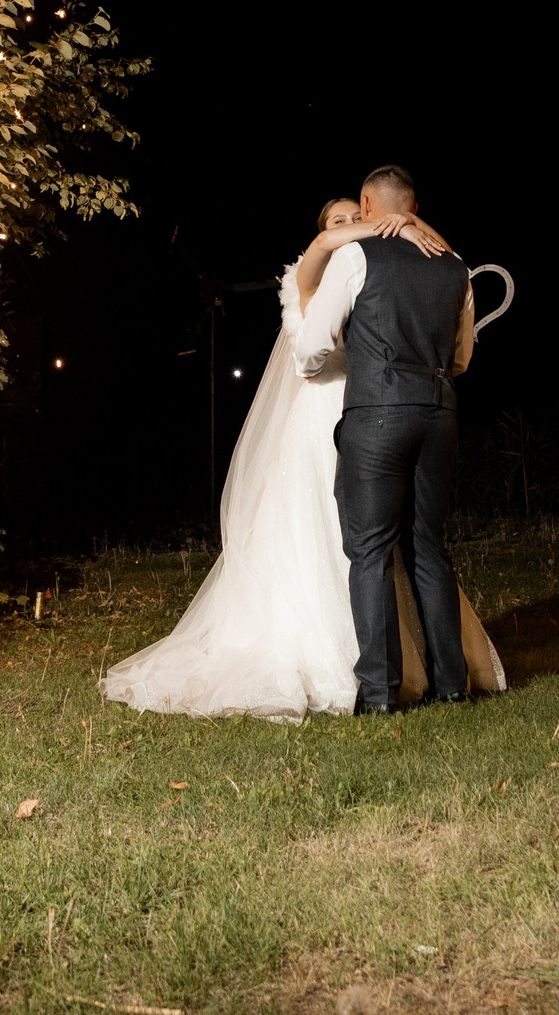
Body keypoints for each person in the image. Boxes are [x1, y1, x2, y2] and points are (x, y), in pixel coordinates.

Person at [98, 191, 502, 721]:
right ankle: (368, 668)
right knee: (346, 537)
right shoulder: (317, 270)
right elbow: (312, 352)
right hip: (328, 412)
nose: (354, 225)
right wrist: (394, 222)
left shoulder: (377, 270)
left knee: (390, 543)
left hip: (373, 410)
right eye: (341, 220)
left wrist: (401, 224)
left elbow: (443, 270)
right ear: (326, 229)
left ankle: (395, 672)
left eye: (359, 216)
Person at [293, 164, 477, 712]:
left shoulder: (355, 256)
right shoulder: (456, 267)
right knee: (428, 548)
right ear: (414, 209)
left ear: (368, 207)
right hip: (439, 412)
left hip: (376, 413)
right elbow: (462, 358)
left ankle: (379, 693)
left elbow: (312, 347)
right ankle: (452, 685)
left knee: (370, 551)